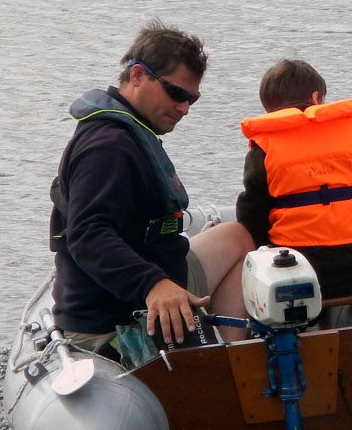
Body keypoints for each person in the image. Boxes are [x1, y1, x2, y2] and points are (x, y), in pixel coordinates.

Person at [50, 21, 254, 353]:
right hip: (114, 311)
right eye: (176, 94)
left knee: (238, 236)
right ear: (137, 76)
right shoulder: (109, 147)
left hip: (161, 270)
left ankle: (229, 360)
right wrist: (154, 284)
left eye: (192, 99)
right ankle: (220, 367)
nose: (184, 108)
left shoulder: (131, 132)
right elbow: (87, 234)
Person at [236, 59, 352, 300]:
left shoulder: (264, 150)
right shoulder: (351, 143)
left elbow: (252, 213)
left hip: (293, 266)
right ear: (316, 97)